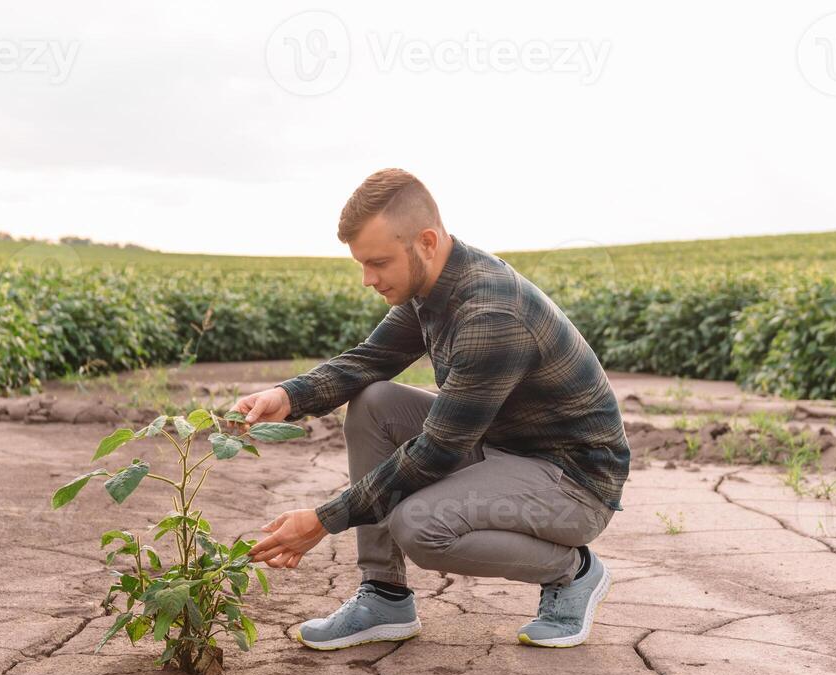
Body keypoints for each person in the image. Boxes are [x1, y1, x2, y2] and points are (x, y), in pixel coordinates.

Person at [242, 168, 630, 649]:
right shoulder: (432, 285)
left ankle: (575, 571)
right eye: (362, 263)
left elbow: (438, 452)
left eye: (378, 262)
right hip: (503, 450)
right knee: (375, 400)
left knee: (418, 525)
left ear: (426, 241)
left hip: (573, 483)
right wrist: (289, 396)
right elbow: (371, 360)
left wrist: (323, 520)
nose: (368, 279)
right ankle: (383, 596)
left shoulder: (490, 313)